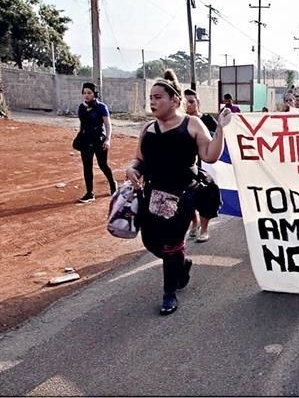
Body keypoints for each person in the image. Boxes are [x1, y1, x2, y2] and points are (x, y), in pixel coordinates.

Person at [126, 69, 231, 315]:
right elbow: (139, 159)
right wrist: (131, 169)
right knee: (151, 242)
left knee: (171, 242)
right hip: (152, 194)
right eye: (150, 98)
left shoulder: (191, 124)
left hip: (183, 194)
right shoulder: (148, 128)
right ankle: (182, 264)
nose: (152, 102)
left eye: (158, 97)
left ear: (174, 100)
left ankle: (169, 293)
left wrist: (221, 130)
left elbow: (210, 155)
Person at [184, 89, 218, 243]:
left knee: (206, 197)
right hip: (187, 168)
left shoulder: (207, 119)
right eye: (186, 102)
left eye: (191, 101)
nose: (188, 105)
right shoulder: (180, 122)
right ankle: (194, 221)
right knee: (187, 198)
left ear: (198, 102)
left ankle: (204, 229)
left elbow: (219, 137)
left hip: (205, 166)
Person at [76, 82, 116, 203]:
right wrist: (80, 137)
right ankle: (89, 193)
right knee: (87, 167)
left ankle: (113, 184)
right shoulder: (81, 107)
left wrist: (108, 139)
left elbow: (107, 125)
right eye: (84, 93)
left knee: (102, 165)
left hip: (99, 139)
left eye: (89, 93)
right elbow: (82, 124)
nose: (86, 95)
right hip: (85, 140)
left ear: (94, 94)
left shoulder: (101, 107)